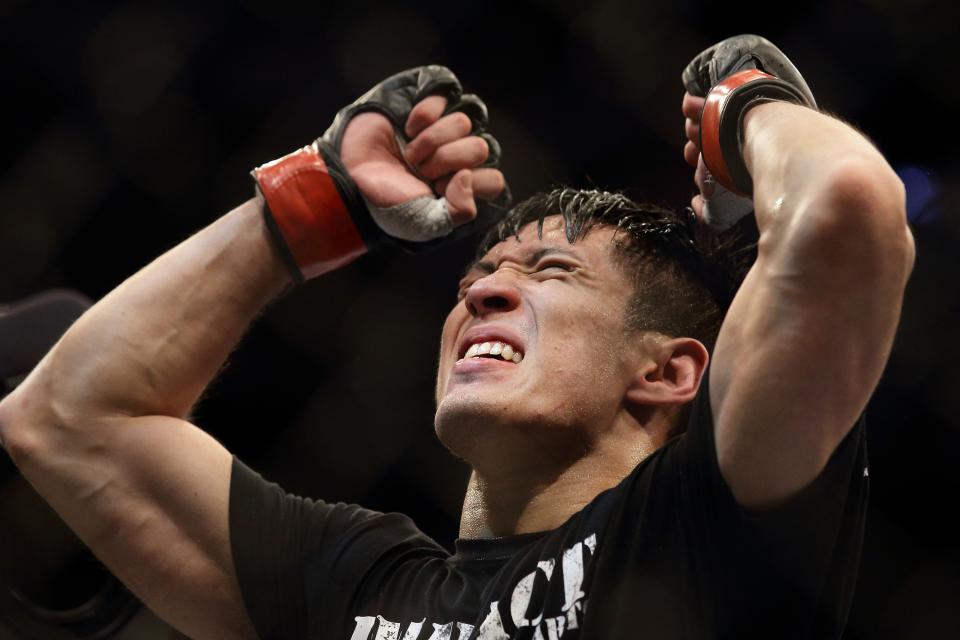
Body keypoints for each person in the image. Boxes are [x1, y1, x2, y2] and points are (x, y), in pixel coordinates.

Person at [0, 36, 914, 640]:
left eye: (550, 274)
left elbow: (850, 209)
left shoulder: (702, 517)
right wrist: (317, 202)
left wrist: (750, 109)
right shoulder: (358, 588)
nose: (483, 292)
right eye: (478, 277)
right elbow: (65, 416)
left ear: (670, 370)